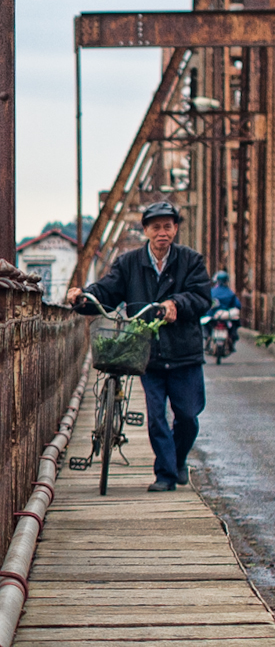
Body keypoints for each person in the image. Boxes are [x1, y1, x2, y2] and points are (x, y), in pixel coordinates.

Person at [67, 202, 212, 492]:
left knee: (188, 417)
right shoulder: (129, 263)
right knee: (156, 415)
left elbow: (201, 297)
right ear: (145, 230)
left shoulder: (191, 261)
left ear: (175, 229)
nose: (162, 232)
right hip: (148, 353)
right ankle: (166, 475)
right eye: (156, 227)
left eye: (168, 226)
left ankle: (177, 458)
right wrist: (84, 296)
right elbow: (109, 290)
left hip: (184, 352)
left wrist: (176, 304)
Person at [206, 270, 241, 348]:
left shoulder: (211, 291)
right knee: (236, 322)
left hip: (212, 317)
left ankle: (207, 336)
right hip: (226, 316)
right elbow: (238, 305)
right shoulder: (230, 292)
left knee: (205, 323)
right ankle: (233, 337)